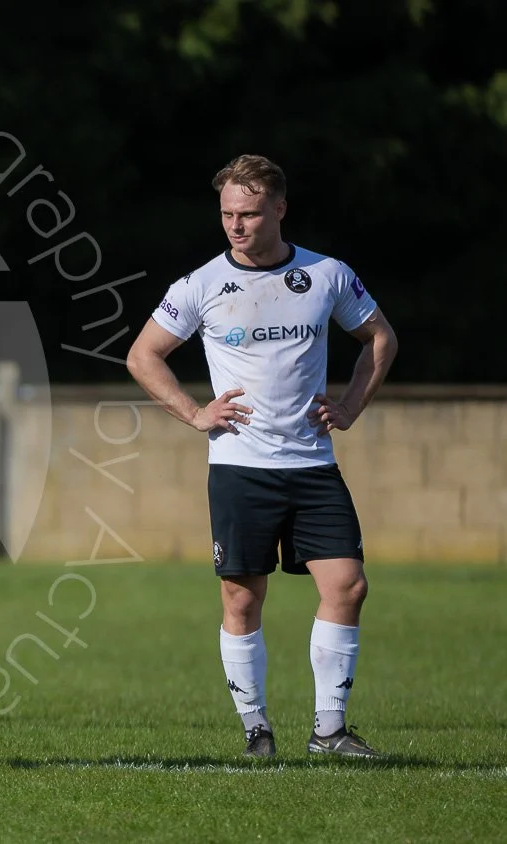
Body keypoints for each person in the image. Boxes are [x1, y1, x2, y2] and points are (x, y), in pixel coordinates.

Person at [126, 154, 398, 759]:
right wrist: (195, 413)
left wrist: (351, 406)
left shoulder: (326, 274)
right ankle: (257, 731)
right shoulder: (200, 285)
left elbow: (379, 336)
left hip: (312, 465)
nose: (236, 226)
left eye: (248, 214)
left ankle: (329, 730)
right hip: (240, 468)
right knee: (242, 598)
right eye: (227, 214)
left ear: (279, 208)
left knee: (348, 586)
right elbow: (143, 355)